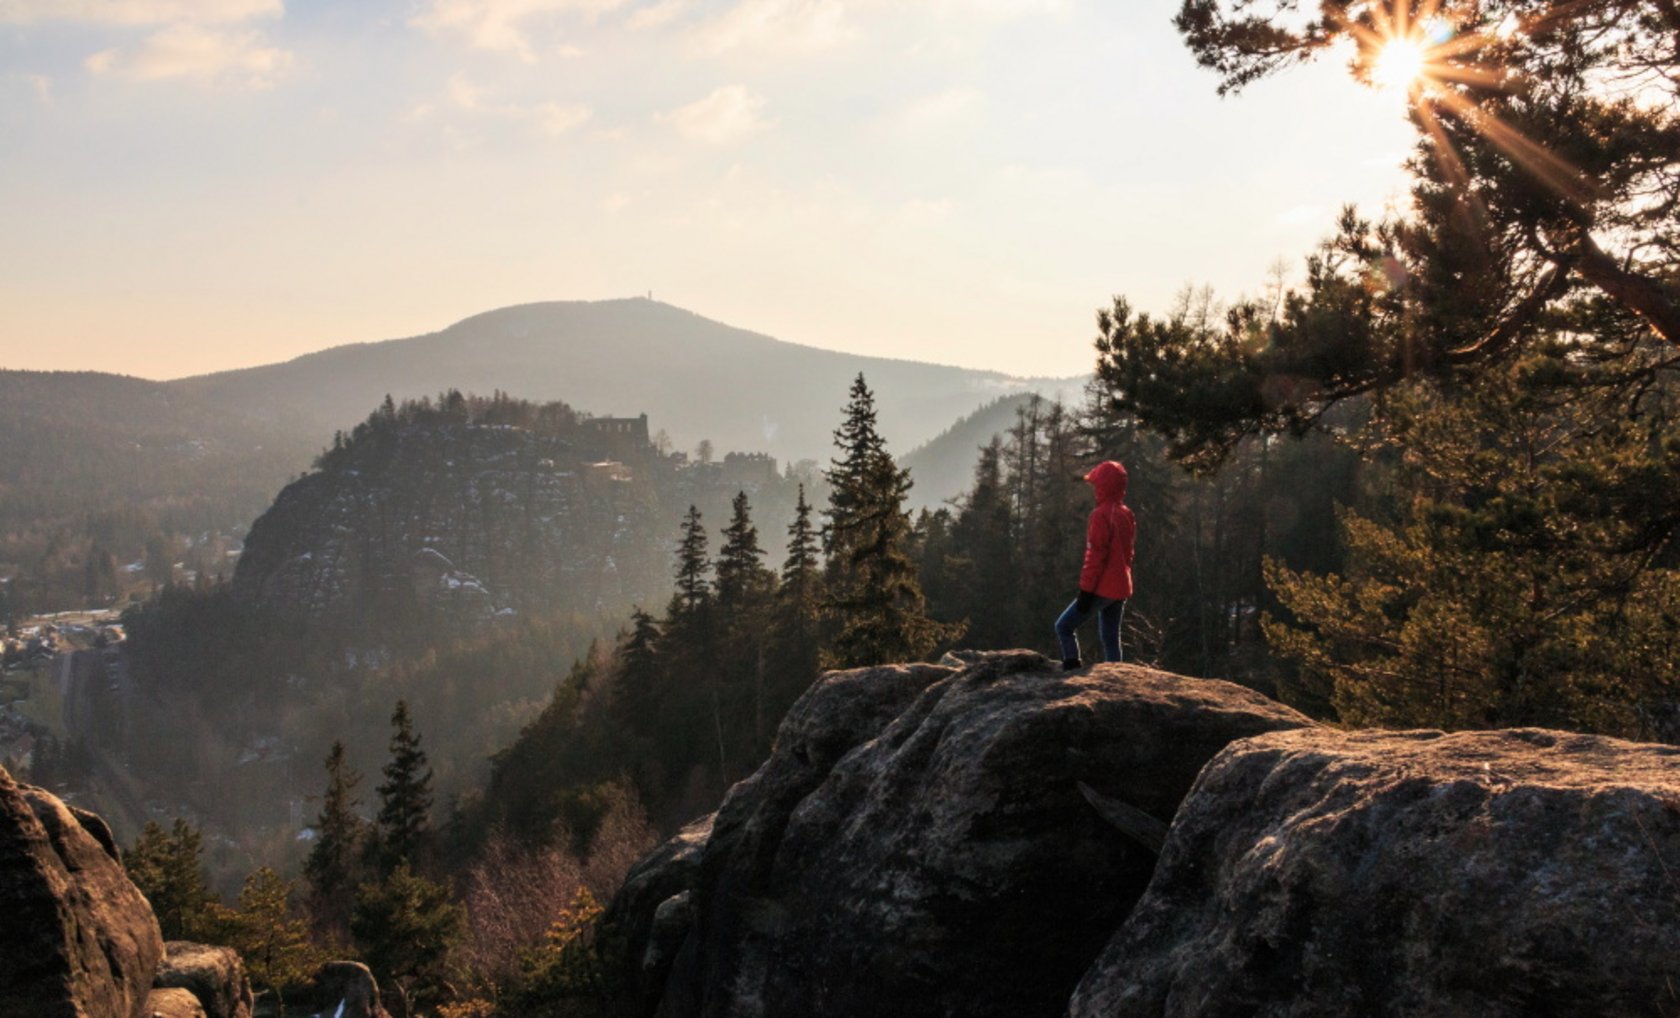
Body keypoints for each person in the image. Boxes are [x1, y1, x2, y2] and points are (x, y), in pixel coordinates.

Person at [1055, 460, 1135, 670]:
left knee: (1063, 626)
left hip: (1101, 587)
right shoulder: (1125, 513)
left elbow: (1095, 557)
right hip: (1121, 587)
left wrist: (1086, 592)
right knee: (1110, 637)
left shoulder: (1100, 515)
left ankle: (1072, 668)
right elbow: (1129, 553)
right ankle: (1116, 677)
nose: (1094, 490)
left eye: (1096, 485)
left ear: (1103, 487)